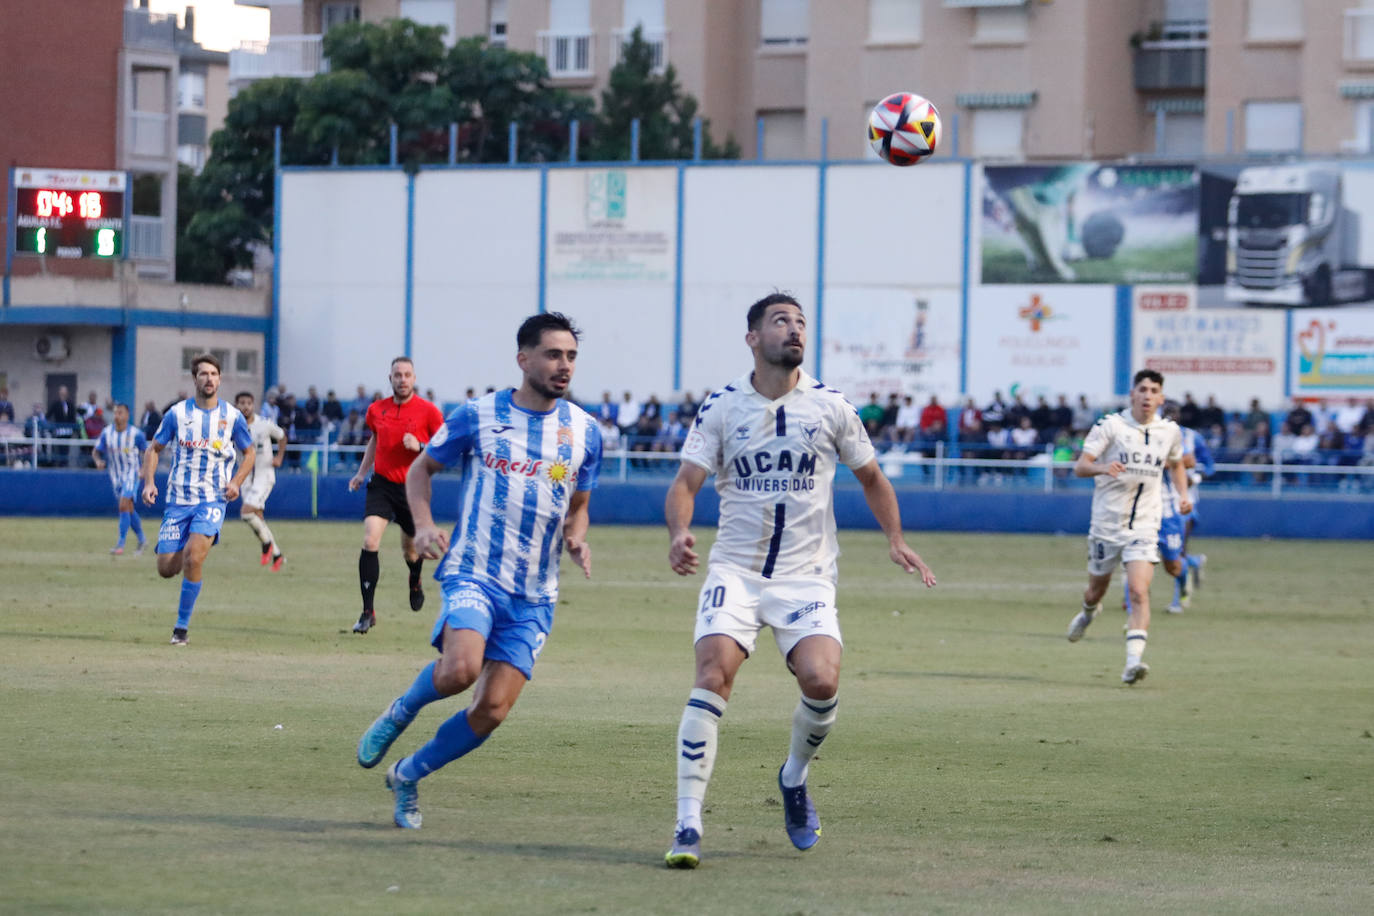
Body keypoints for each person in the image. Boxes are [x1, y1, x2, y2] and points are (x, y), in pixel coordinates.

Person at [662, 292, 936, 869]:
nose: (794, 330)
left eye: (800, 322)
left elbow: (873, 478)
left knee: (821, 680)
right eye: (780, 321)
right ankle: (688, 824)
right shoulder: (721, 407)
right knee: (712, 674)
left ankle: (793, 776)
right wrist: (679, 532)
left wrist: (895, 538)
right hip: (735, 571)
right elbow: (686, 482)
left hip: (806, 577)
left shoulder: (831, 406)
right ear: (752, 337)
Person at [354, 312, 601, 830]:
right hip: (475, 571)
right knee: (460, 669)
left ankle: (408, 774)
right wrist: (423, 526)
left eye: (571, 356)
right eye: (553, 355)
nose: (564, 365)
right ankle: (401, 711)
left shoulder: (585, 431)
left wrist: (577, 536)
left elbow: (579, 505)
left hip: (535, 593)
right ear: (523, 359)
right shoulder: (479, 415)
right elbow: (421, 470)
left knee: (491, 710)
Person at [1065, 369, 1190, 685]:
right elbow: (1080, 466)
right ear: (1132, 394)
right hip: (1107, 524)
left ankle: (1133, 663)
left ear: (1161, 398)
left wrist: (1183, 495)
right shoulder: (1111, 426)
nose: (1148, 396)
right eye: (1142, 389)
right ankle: (1088, 612)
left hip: (1146, 525)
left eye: (1154, 391)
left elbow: (1176, 463)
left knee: (1138, 590)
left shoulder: (1169, 431)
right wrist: (1102, 467)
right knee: (1096, 590)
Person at [141, 354, 254, 646]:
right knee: (166, 569)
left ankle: (181, 628)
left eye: (214, 373)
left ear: (220, 379)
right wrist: (149, 482)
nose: (209, 378)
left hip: (213, 499)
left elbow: (250, 453)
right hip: (178, 500)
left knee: (194, 557)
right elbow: (153, 449)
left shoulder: (232, 416)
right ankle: (185, 546)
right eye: (203, 374)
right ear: (194, 379)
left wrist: (236, 482)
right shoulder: (177, 414)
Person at [346, 357, 445, 634]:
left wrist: (420, 445)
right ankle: (368, 612)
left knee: (410, 551)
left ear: (414, 379)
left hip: (413, 488)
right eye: (397, 375)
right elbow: (375, 440)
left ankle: (415, 578)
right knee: (370, 539)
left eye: (407, 375)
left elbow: (443, 447)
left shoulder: (429, 411)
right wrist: (361, 473)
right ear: (390, 378)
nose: (402, 379)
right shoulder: (376, 409)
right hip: (381, 484)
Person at [234, 391, 288, 570]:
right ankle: (277, 555)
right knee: (256, 517)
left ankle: (266, 545)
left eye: (248, 403)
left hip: (264, 476)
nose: (245, 406)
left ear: (253, 405)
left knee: (246, 512)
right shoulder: (232, 426)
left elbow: (282, 436)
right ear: (236, 405)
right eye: (242, 403)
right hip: (245, 478)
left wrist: (279, 457)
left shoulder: (264, 424)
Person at [91, 403, 148, 555]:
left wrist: (143, 469)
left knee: (123, 505)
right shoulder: (107, 433)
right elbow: (95, 451)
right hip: (115, 476)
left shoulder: (136, 434)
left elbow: (147, 452)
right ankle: (142, 539)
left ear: (127, 415)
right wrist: (98, 461)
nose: (117, 416)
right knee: (128, 508)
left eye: (120, 413)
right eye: (115, 413)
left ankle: (120, 544)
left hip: (132, 474)